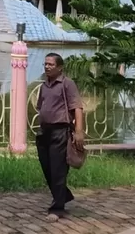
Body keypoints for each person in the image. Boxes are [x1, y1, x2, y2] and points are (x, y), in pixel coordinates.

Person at [36, 53, 85, 220]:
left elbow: (77, 107)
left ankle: (58, 208)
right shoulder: (44, 86)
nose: (47, 67)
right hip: (44, 131)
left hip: (60, 131)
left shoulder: (67, 84)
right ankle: (63, 195)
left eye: (50, 64)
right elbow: (40, 107)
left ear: (60, 67)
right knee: (47, 167)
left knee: (58, 170)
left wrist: (79, 132)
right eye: (45, 64)